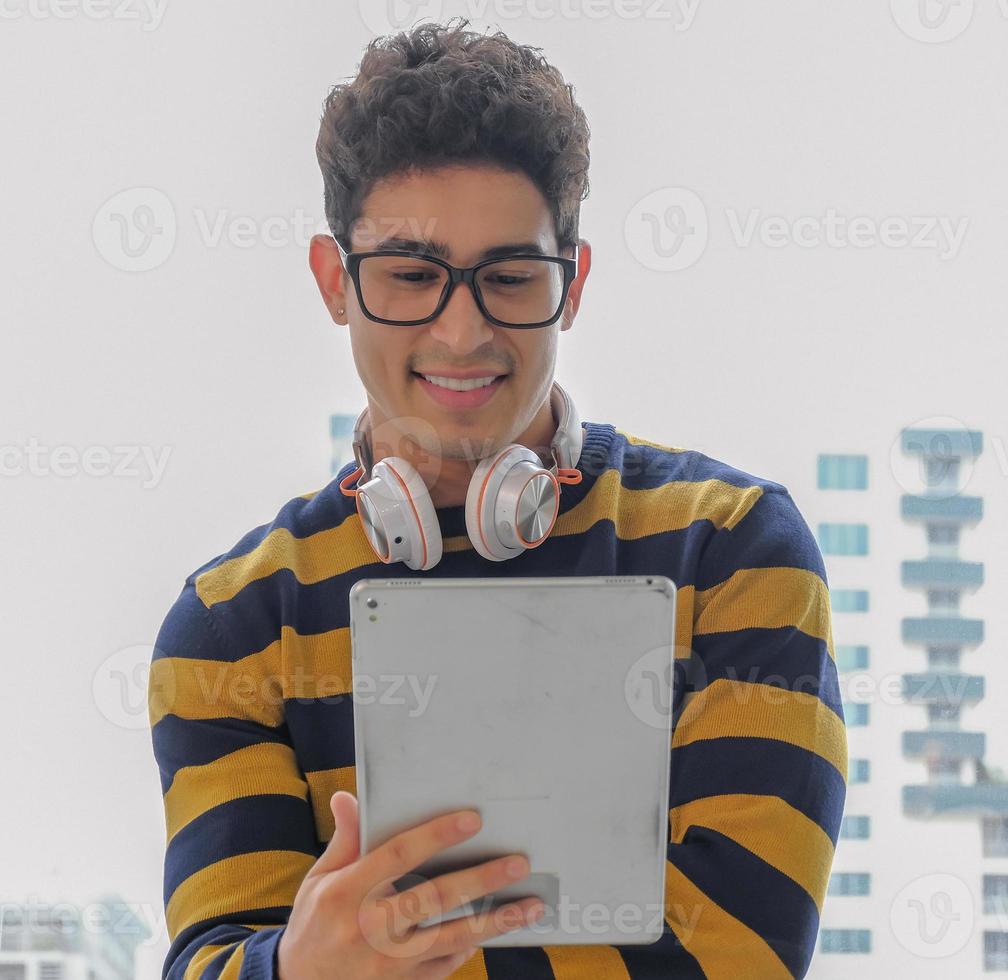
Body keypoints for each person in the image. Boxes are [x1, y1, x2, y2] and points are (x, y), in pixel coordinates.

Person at [148, 19, 845, 980]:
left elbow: (741, 956)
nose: (462, 329)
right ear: (333, 281)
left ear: (573, 283)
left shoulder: (728, 552)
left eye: (510, 278)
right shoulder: (231, 624)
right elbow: (212, 958)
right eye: (410, 276)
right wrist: (297, 967)